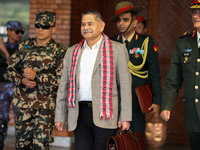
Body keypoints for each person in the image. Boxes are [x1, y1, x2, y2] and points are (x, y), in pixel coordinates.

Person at [55, 9, 132, 150]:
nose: (86, 27)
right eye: (83, 24)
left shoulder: (117, 49)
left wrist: (125, 116)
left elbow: (125, 86)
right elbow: (64, 85)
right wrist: (59, 116)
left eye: (90, 23)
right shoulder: (72, 51)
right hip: (80, 113)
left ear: (101, 26)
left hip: (105, 113)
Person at [6, 11, 67, 150]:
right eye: (38, 25)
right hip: (23, 106)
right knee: (21, 146)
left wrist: (37, 77)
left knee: (40, 147)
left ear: (53, 28)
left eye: (45, 26)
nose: (40, 29)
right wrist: (22, 80)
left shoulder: (59, 51)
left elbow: (61, 80)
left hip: (45, 108)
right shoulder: (24, 46)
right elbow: (10, 71)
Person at [110, 1, 162, 136]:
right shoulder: (111, 42)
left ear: (134, 23)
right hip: (115, 101)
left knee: (136, 138)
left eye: (125, 20)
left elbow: (154, 73)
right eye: (119, 20)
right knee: (115, 140)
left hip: (136, 101)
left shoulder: (146, 42)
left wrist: (156, 100)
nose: (121, 23)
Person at [160, 1, 200, 149]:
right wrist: (167, 106)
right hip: (193, 115)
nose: (196, 15)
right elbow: (173, 79)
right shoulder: (184, 43)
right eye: (194, 12)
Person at [0, 21, 24, 150]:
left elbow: (17, 66)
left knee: (20, 122)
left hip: (18, 89)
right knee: (1, 121)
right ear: (8, 31)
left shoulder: (23, 48)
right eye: (17, 31)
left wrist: (5, 53)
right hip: (2, 88)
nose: (20, 34)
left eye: (21, 32)